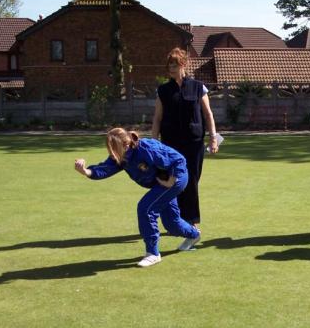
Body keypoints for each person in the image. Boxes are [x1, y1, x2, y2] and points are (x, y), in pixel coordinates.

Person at [74, 128, 201, 267]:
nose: (111, 153)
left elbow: (178, 160)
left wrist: (172, 180)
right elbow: (105, 169)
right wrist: (85, 171)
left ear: (125, 144)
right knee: (171, 222)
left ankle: (153, 253)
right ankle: (193, 235)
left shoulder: (147, 148)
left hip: (176, 178)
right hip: (161, 184)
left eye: (113, 148)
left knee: (145, 208)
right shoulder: (121, 157)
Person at [152, 47, 218, 248]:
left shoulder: (199, 87)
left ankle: (192, 222)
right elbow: (157, 118)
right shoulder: (163, 90)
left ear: (183, 65)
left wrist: (213, 138)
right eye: (169, 65)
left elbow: (208, 115)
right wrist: (154, 144)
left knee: (192, 182)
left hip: (194, 143)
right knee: (173, 181)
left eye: (174, 64)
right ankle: (176, 222)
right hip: (170, 144)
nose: (171, 68)